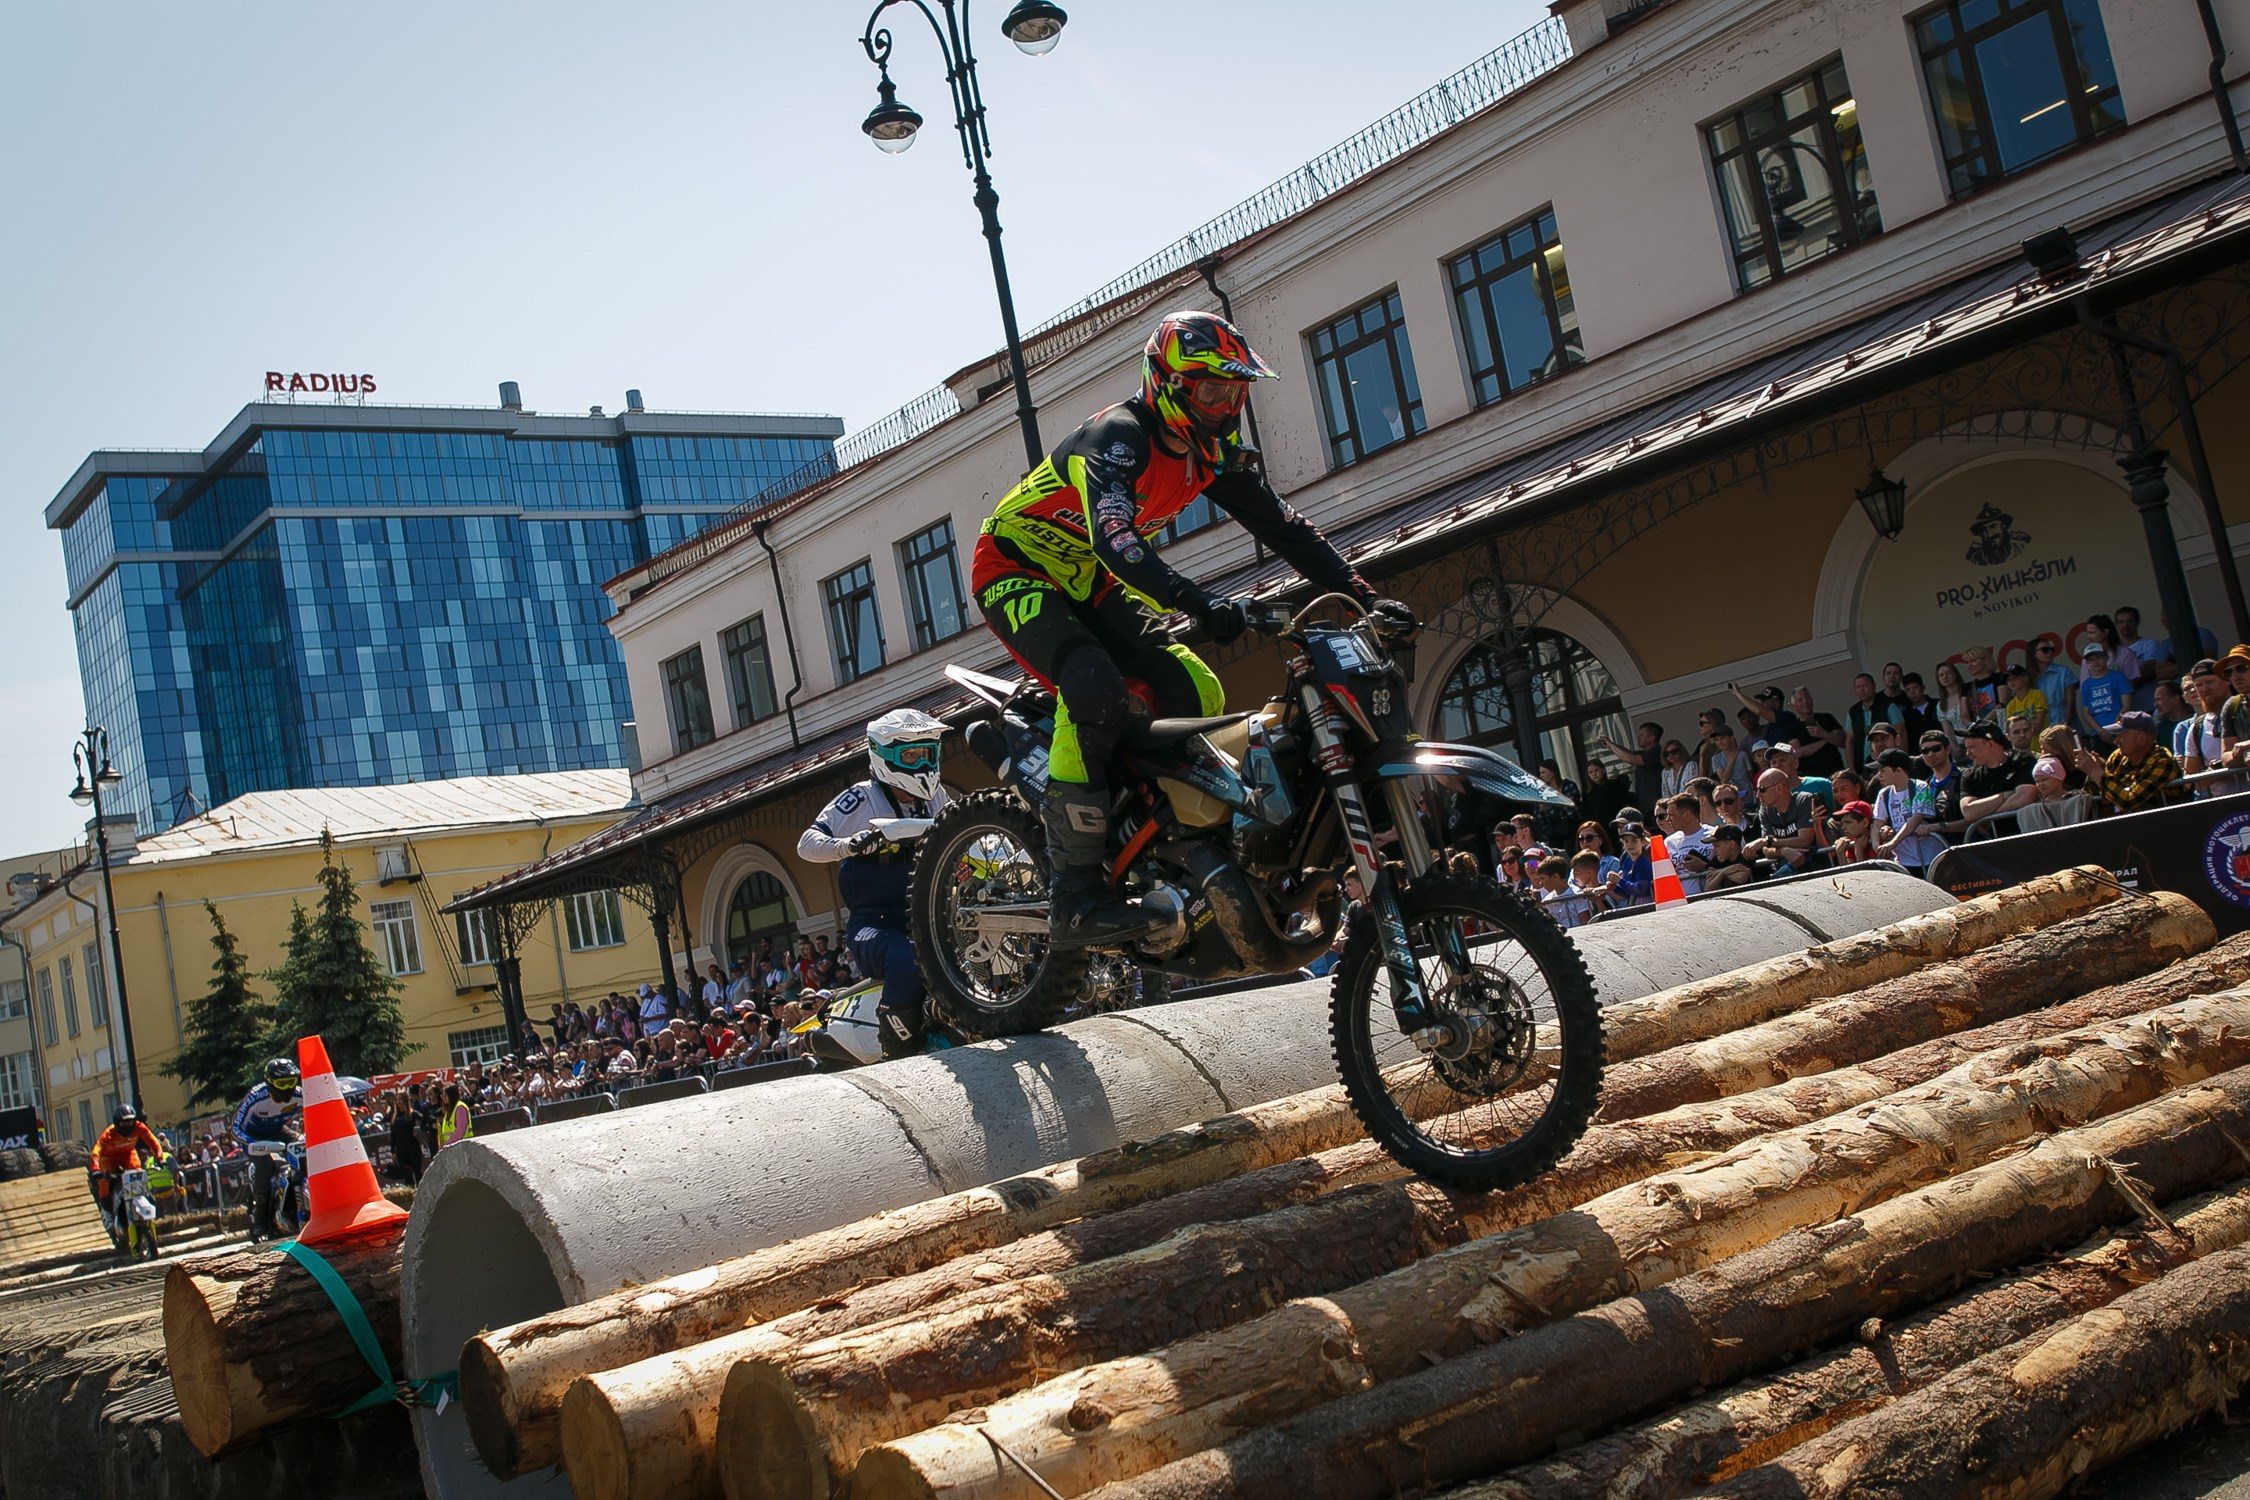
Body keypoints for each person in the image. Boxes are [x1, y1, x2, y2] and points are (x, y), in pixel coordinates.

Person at [971, 309, 1409, 946]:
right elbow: (1117, 540)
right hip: (1015, 566)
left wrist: (1367, 599)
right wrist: (1197, 602)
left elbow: (1287, 530)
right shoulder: (1118, 438)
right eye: (1210, 390)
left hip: (1089, 579)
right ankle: (1075, 893)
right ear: (1167, 383)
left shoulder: (1214, 454)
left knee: (1195, 689)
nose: (1225, 407)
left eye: (1235, 393)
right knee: (1091, 683)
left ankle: (1162, 843)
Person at [798, 708, 952, 1058]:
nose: (922, 763)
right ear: (885, 756)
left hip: (928, 915)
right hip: (875, 924)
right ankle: (896, 1047)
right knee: (904, 958)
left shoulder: (936, 797)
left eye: (928, 753)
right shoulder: (862, 797)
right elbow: (806, 844)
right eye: (911, 755)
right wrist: (849, 845)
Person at [232, 1056, 303, 1242]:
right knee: (265, 1165)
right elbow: (235, 1127)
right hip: (254, 1137)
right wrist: (251, 1143)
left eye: (291, 1081)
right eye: (282, 1083)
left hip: (279, 1130)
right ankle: (260, 1219)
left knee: (304, 1148)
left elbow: (317, 1112)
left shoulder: (300, 1095)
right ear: (271, 1083)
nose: (288, 1088)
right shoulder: (255, 1097)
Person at [2081, 710, 2181, 816]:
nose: (2115, 741)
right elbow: (2104, 805)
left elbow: (2129, 801)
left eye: (2121, 736)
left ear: (2141, 738)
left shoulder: (2162, 761)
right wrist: (2095, 774)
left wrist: (2096, 773)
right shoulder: (2117, 757)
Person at [86, 1104, 169, 1226]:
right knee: (104, 1183)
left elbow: (153, 1142)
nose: (127, 1126)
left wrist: (160, 1158)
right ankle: (107, 1213)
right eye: (123, 1123)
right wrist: (95, 1169)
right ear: (116, 1123)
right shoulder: (108, 1134)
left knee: (138, 1174)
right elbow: (96, 1151)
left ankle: (145, 1200)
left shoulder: (139, 1127)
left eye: (130, 1122)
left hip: (128, 1154)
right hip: (108, 1159)